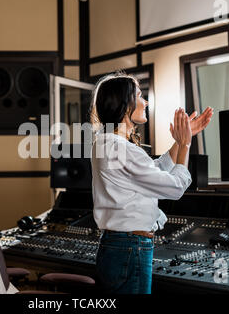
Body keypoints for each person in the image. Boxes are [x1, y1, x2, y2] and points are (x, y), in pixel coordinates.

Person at [90, 72, 213, 294]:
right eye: (139, 95)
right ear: (124, 103)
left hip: (119, 246)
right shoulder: (119, 148)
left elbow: (153, 172)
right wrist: (185, 145)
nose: (145, 101)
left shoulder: (108, 144)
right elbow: (175, 187)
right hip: (129, 247)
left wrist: (180, 141)